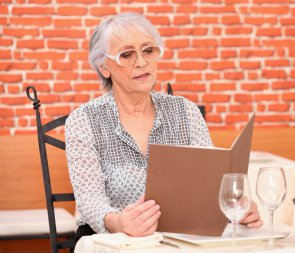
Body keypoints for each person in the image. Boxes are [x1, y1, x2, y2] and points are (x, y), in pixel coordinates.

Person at [65, 12, 263, 239]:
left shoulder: (185, 112)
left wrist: (236, 209)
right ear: (103, 67)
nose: (141, 62)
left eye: (148, 50)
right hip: (111, 240)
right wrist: (120, 222)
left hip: (179, 237)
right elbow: (90, 200)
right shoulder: (84, 120)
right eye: (126, 55)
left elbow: (210, 185)